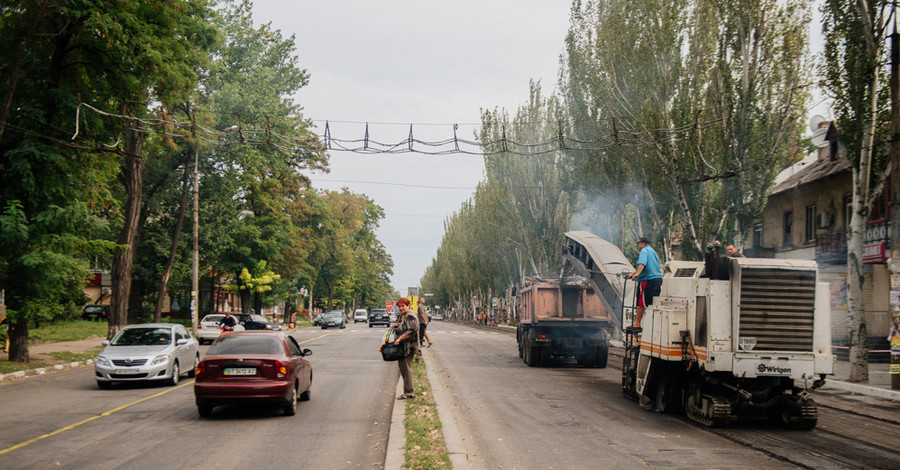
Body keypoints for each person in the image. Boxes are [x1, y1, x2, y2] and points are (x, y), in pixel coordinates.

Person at [628, 237, 662, 329]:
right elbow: (648, 265)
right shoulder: (652, 251)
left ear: (643, 243)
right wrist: (633, 273)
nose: (638, 246)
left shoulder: (644, 251)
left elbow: (642, 263)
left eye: (639, 244)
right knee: (650, 302)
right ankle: (649, 324)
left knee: (641, 301)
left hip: (648, 280)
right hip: (657, 279)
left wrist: (637, 274)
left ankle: (637, 324)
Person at [392, 297, 419, 400]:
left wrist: (399, 338)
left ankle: (409, 392)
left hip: (409, 347)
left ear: (408, 306)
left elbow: (411, 330)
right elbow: (403, 327)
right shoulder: (403, 315)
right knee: (403, 368)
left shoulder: (410, 315)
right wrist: (397, 326)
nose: (401, 308)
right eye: (399, 306)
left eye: (403, 306)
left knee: (406, 369)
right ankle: (407, 391)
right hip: (403, 347)